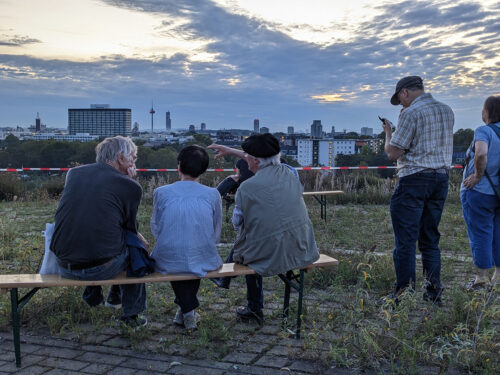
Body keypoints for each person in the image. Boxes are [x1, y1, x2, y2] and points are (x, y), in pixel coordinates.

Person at [208, 134, 319, 323]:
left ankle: (254, 307)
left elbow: (236, 224)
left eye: (247, 156)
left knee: (247, 248)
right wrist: (230, 150)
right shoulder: (291, 173)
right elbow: (262, 158)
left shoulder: (247, 187)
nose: (245, 159)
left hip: (269, 253)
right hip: (303, 247)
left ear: (254, 160)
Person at [51, 136, 148, 327]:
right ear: (121, 158)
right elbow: (130, 228)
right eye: (133, 158)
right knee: (137, 252)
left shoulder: (73, 173)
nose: (134, 163)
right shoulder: (130, 186)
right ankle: (132, 316)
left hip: (64, 264)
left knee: (97, 234)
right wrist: (128, 180)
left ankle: (102, 296)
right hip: (100, 268)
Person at [381, 75, 454, 303]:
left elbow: (393, 153)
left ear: (404, 92)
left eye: (400, 100)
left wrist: (389, 132)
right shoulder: (447, 110)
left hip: (414, 179)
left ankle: (403, 293)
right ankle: (434, 292)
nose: (402, 105)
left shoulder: (411, 113)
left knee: (405, 240)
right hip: (440, 178)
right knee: (430, 239)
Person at [150, 145, 222, 330]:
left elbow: (156, 226)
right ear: (204, 170)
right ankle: (188, 311)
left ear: (179, 166)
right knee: (193, 257)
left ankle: (185, 310)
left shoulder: (161, 192)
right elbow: (216, 229)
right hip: (202, 252)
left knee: (179, 255)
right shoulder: (213, 194)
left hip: (168, 254)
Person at [461, 95, 500, 290]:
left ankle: (481, 279)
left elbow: (481, 152)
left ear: (487, 112)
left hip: (481, 193)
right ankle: (498, 278)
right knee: (498, 233)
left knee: (480, 233)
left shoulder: (483, 130)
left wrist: (477, 175)